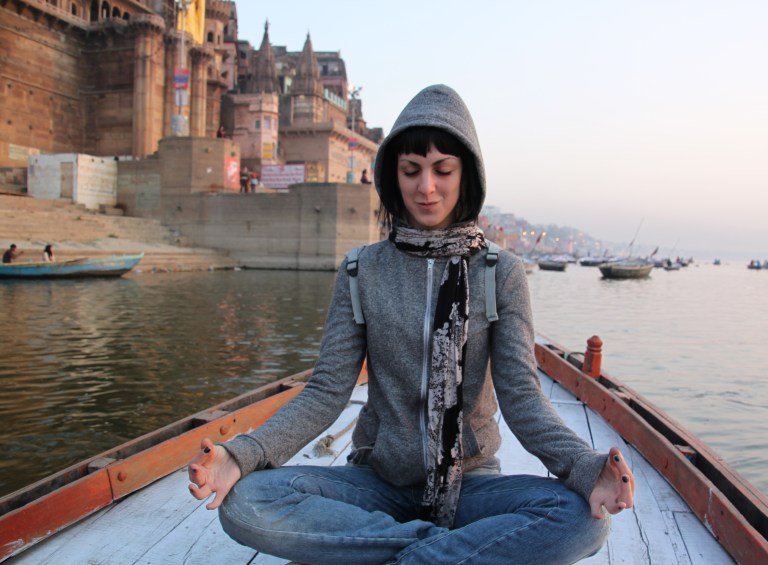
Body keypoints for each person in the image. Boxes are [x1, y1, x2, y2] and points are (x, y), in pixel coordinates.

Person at [188, 84, 634, 564]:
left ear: (466, 174)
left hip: (471, 486)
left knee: (582, 520)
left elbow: (523, 399)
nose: (426, 188)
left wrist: (585, 467)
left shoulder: (499, 272)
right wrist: (244, 454)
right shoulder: (361, 270)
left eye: (442, 170)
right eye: (411, 170)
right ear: (392, 175)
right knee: (246, 503)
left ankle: (391, 552)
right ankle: (440, 554)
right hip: (378, 482)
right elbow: (326, 391)